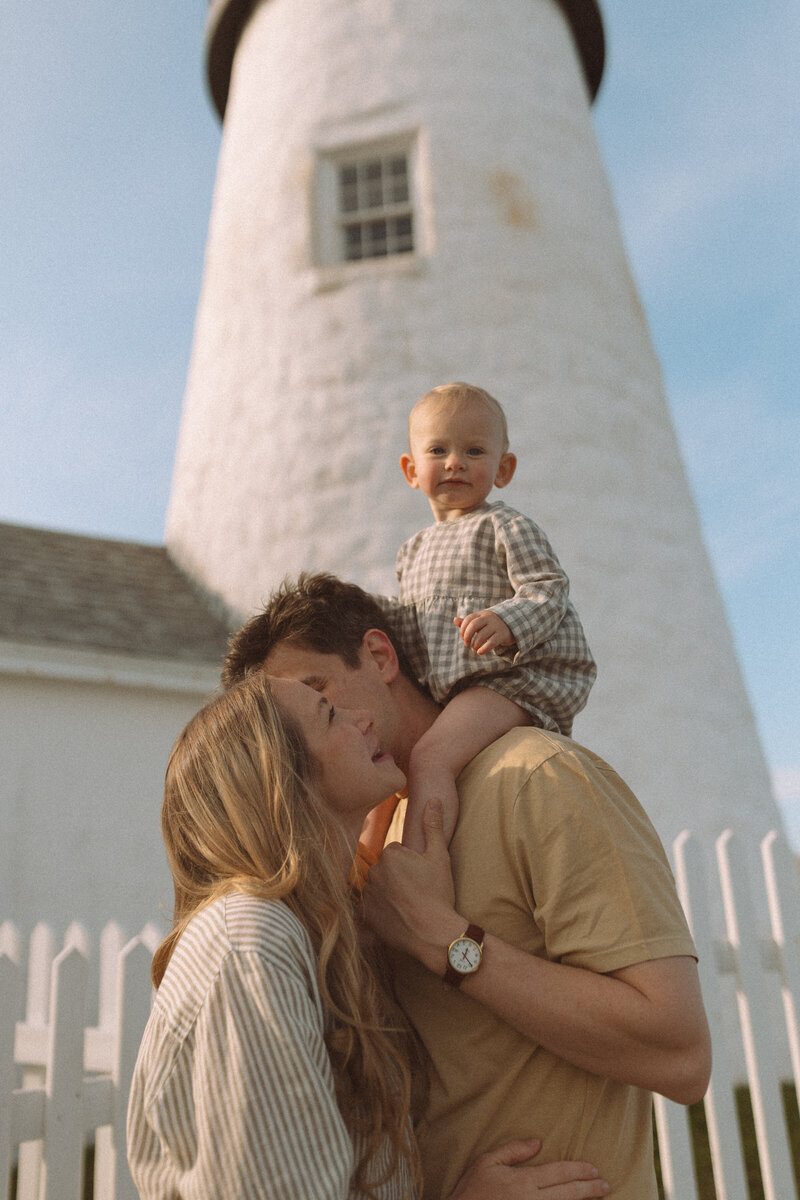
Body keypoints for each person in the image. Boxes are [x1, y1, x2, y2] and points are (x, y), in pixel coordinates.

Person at [221, 574, 712, 1200]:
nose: (326, 727)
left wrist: (445, 940)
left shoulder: (538, 778)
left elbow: (681, 1055)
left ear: (380, 655)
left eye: (319, 692)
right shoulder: (367, 833)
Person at [127, 672, 611, 1199]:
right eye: (329, 715)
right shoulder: (249, 941)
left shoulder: (314, 934)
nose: (364, 719)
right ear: (282, 779)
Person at [377, 382, 596, 853]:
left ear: (504, 469)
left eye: (474, 451)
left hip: (512, 677)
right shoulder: (411, 551)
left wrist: (509, 621)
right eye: (439, 449)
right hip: (456, 685)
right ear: (411, 470)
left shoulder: (504, 525)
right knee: (385, 763)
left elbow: (548, 587)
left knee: (430, 757)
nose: (455, 461)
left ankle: (419, 864)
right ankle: (362, 867)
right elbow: (411, 623)